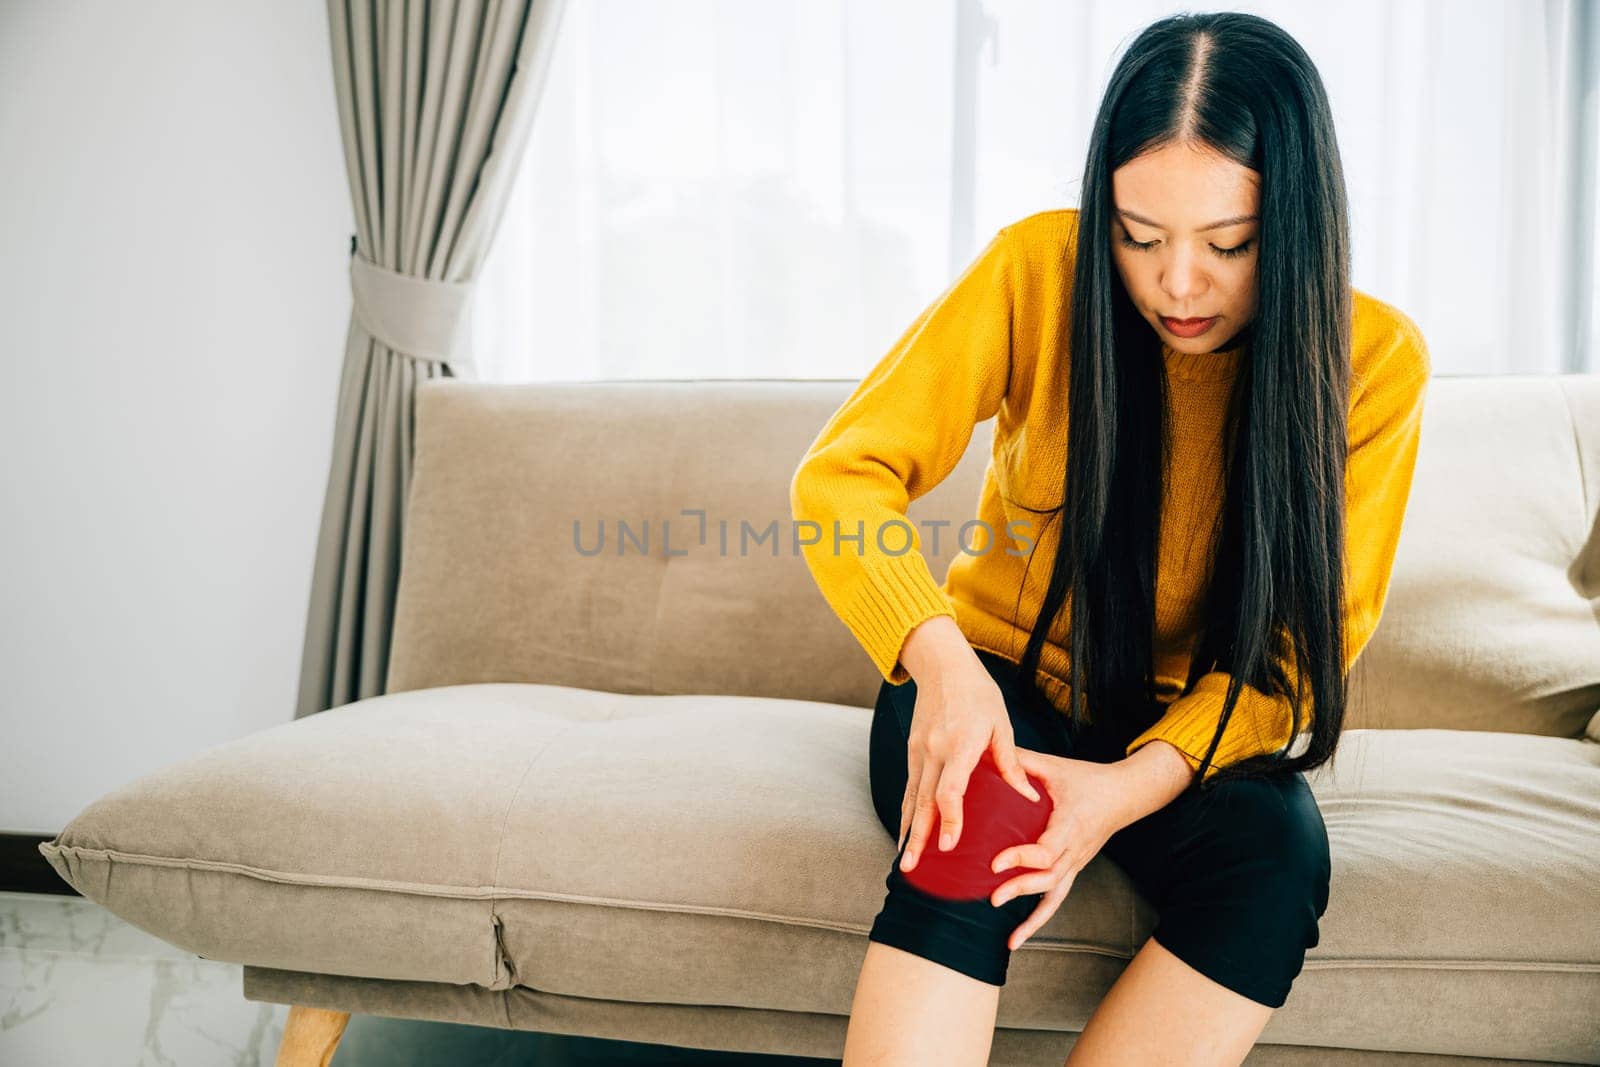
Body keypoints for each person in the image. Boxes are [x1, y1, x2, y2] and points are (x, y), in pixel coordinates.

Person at [788, 11, 1432, 1066]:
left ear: (1300, 221)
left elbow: (1295, 664)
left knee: (1277, 854)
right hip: (996, 677)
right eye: (1139, 237)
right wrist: (943, 667)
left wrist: (1124, 788)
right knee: (974, 799)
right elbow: (842, 475)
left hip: (1188, 732)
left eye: (1230, 243)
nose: (1178, 283)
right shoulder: (1034, 269)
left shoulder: (1375, 364)